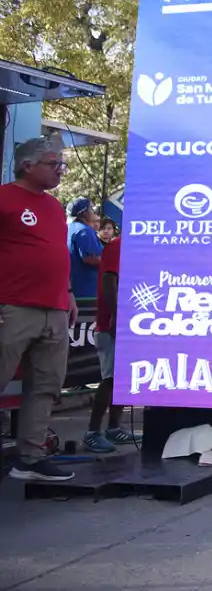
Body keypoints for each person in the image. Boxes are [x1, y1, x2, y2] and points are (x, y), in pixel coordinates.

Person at [0, 137, 78, 481]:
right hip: (13, 306)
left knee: (46, 385)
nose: (60, 169)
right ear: (27, 165)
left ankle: (30, 457)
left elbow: (56, 253)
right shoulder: (4, 199)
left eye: (61, 164)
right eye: (53, 163)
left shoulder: (54, 206)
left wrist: (70, 293)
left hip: (55, 308)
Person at [84, 234, 136, 452]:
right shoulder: (117, 246)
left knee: (123, 378)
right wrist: (116, 314)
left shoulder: (136, 246)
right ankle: (92, 432)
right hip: (110, 327)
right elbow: (108, 279)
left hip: (131, 324)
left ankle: (114, 427)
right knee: (110, 378)